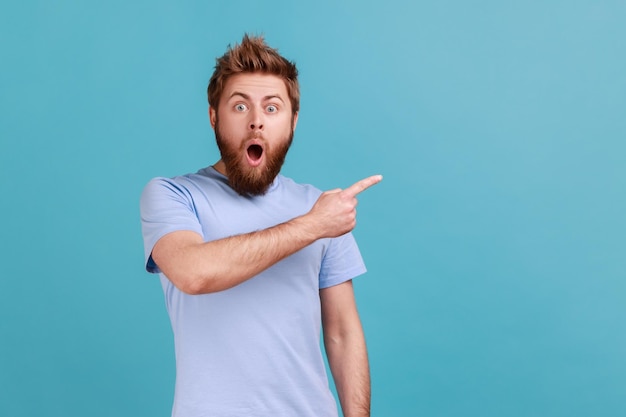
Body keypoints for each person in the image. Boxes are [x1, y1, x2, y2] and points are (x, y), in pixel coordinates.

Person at [140, 34, 382, 417]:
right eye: (239, 106)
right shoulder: (173, 195)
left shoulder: (317, 207)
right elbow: (194, 273)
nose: (256, 122)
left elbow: (342, 332)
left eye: (272, 108)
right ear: (213, 116)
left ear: (293, 121)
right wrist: (313, 225)